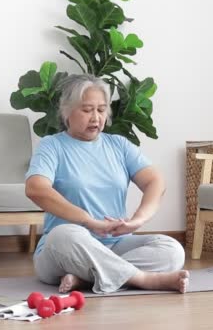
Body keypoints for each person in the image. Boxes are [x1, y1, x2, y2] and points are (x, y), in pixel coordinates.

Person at [25, 74, 189, 294]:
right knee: (63, 234)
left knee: (172, 250)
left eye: (101, 110)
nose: (95, 118)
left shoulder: (118, 145)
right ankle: (145, 279)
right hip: (66, 250)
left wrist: (138, 219)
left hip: (116, 244)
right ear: (67, 111)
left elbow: (155, 181)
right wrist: (88, 221)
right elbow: (36, 188)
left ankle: (87, 279)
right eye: (86, 110)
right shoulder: (52, 146)